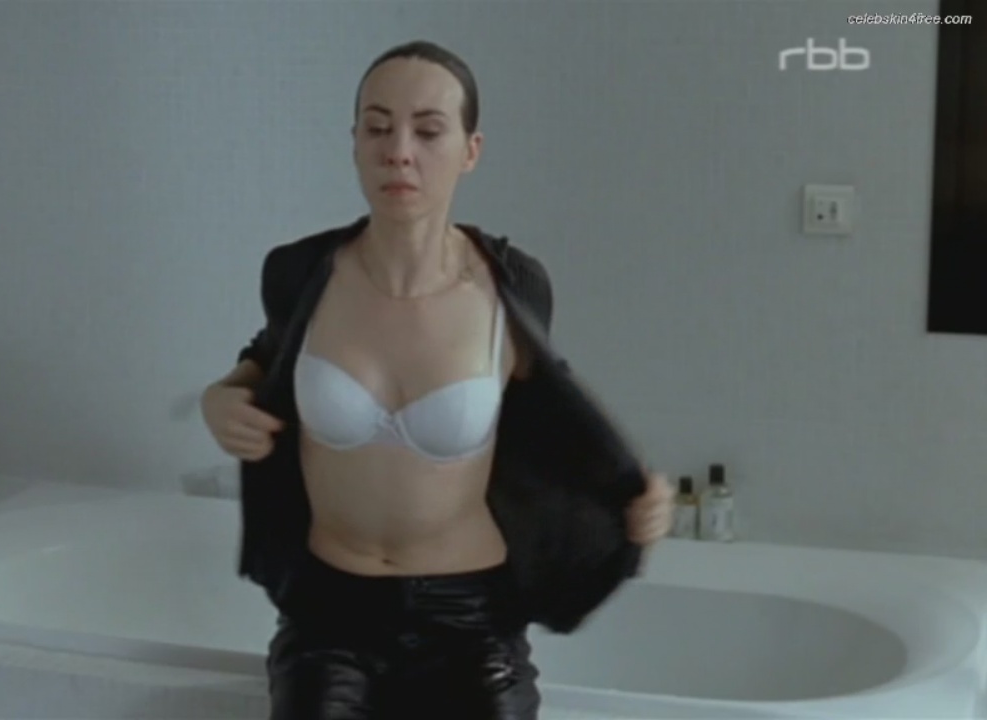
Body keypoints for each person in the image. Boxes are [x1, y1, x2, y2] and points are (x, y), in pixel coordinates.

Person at [200, 40, 673, 720]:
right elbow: (268, 356)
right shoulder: (300, 273)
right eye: (378, 127)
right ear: (355, 141)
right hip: (330, 613)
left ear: (469, 150)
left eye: (427, 131)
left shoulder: (512, 288)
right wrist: (222, 396)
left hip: (470, 618)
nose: (399, 152)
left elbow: (557, 420)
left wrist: (633, 501)